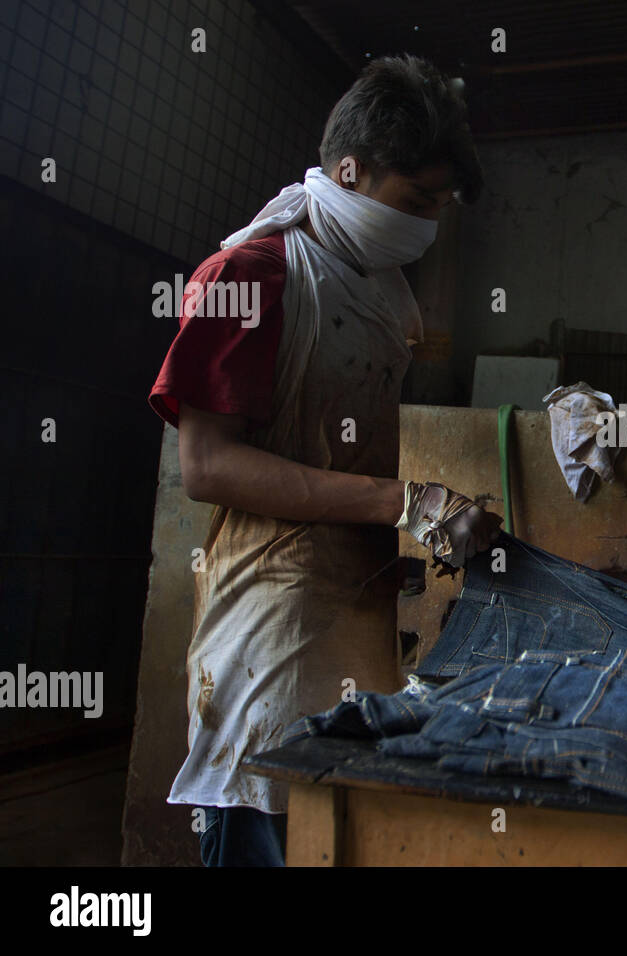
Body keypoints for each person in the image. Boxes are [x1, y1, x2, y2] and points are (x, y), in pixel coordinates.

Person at [148, 55, 501, 866]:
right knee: (268, 813)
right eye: (416, 202)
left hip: (355, 611)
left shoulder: (379, 289)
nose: (426, 227)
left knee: (336, 829)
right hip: (271, 627)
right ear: (350, 169)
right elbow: (208, 467)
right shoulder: (254, 274)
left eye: (440, 209)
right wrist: (401, 503)